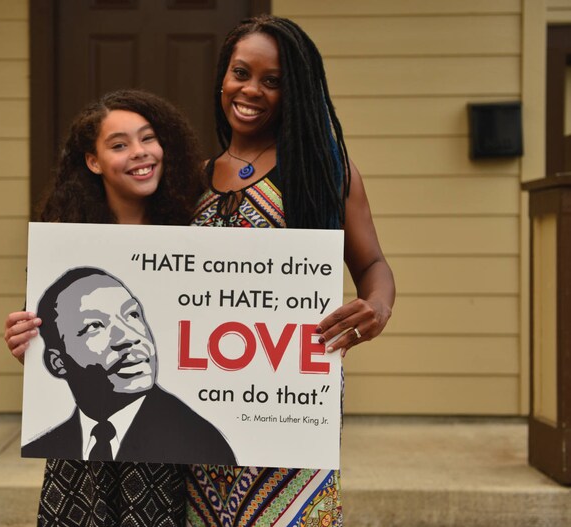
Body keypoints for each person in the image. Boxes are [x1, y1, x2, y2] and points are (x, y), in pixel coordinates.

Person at [186, 15, 395, 527]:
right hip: (204, 407)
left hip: (289, 399)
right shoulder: (192, 178)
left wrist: (377, 306)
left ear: (294, 90)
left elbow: (371, 264)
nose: (250, 90)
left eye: (272, 80)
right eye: (240, 72)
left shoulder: (324, 169)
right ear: (222, 78)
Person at [4, 90, 206, 526]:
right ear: (93, 161)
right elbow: (46, 348)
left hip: (168, 459)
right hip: (83, 465)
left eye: (148, 139)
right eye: (119, 145)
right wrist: (25, 342)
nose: (140, 153)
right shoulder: (66, 243)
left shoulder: (195, 236)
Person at [22, 266, 235, 465]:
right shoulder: (48, 445)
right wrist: (23, 343)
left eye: (132, 315)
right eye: (95, 326)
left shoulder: (200, 441)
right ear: (57, 362)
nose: (129, 336)